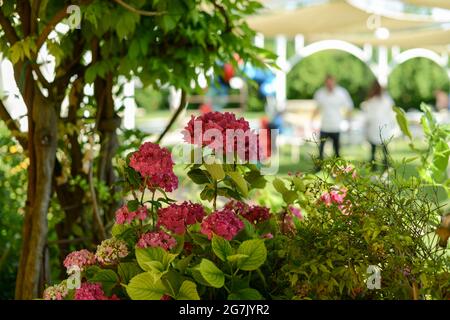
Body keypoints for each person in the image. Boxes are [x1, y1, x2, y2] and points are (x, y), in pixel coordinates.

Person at [312, 74, 354, 165]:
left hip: (336, 126)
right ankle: (319, 167)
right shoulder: (320, 93)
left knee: (337, 151)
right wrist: (312, 122)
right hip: (324, 126)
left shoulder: (342, 93)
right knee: (321, 150)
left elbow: (349, 107)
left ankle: (338, 168)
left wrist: (349, 122)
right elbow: (317, 108)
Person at [361, 81, 396, 171]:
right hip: (383, 127)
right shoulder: (386, 99)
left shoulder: (370, 100)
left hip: (374, 127)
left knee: (374, 151)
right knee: (384, 151)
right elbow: (391, 113)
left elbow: (367, 116)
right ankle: (385, 169)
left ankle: (374, 169)